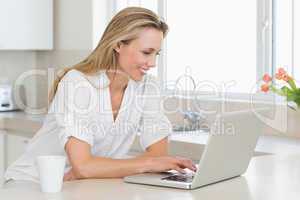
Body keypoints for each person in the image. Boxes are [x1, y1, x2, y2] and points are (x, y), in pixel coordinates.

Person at [4, 7, 196, 184]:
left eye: (157, 54)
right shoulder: (78, 83)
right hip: (33, 184)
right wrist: (90, 168)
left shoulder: (148, 87)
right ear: (118, 45)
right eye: (146, 52)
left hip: (85, 185)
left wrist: (94, 169)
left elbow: (158, 156)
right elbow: (84, 166)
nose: (152, 63)